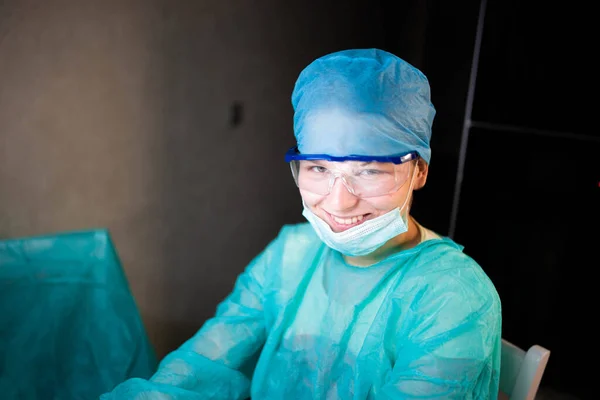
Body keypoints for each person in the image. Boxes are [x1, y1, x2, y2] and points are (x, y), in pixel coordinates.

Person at [101, 48, 502, 399]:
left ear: (419, 172)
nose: (339, 200)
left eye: (370, 171)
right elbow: (206, 358)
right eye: (318, 167)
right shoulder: (291, 254)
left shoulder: (453, 297)